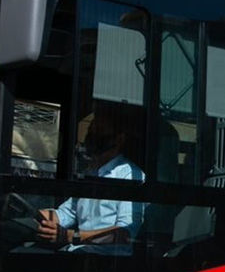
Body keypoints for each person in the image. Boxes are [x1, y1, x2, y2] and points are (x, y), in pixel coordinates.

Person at [37, 107, 145, 253]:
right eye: (90, 130)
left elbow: (124, 234)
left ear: (119, 139)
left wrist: (72, 236)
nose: (92, 135)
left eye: (99, 130)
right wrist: (38, 217)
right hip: (76, 252)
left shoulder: (131, 176)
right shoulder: (90, 173)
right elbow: (68, 213)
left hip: (106, 260)